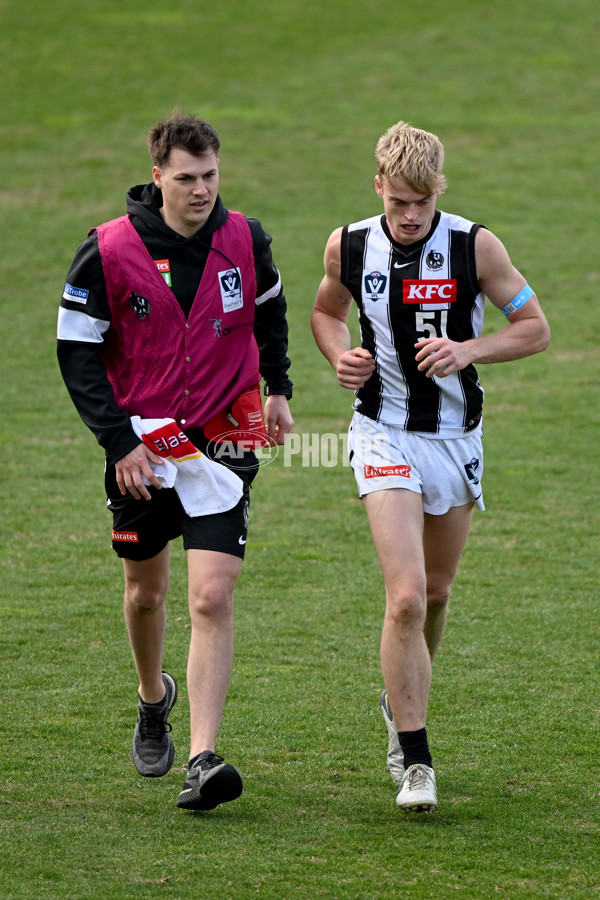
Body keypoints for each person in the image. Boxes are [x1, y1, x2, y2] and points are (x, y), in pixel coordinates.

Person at [311, 121, 550, 812]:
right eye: (399, 202)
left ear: (437, 191)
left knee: (437, 595)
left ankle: (400, 695)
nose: (411, 216)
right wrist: (339, 357)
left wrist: (468, 350)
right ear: (379, 186)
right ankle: (414, 759)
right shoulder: (349, 244)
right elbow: (328, 313)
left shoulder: (475, 246)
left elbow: (534, 329)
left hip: (455, 439)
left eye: (423, 201)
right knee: (407, 595)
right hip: (382, 434)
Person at [57, 113, 293, 811]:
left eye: (211, 176)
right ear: (157, 175)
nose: (201, 191)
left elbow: (270, 312)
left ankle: (202, 758)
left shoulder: (245, 238)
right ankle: (152, 696)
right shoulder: (106, 250)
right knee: (146, 593)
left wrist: (277, 387)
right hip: (142, 446)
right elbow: (78, 352)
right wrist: (118, 442)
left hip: (226, 437)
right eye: (186, 178)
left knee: (211, 594)